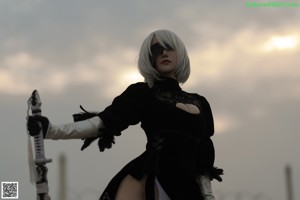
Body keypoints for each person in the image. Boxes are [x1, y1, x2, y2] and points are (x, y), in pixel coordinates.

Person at [27, 29, 223, 200]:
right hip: (149, 179)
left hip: (187, 188)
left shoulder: (201, 103)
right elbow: (103, 123)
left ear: (180, 53)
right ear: (149, 59)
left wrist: (208, 195)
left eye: (169, 47)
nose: (163, 52)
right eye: (156, 49)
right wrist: (51, 130)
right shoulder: (143, 93)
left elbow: (203, 161)